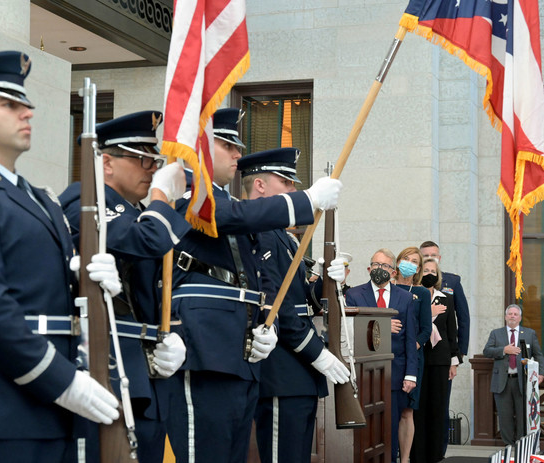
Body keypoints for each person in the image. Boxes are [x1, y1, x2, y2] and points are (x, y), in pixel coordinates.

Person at [0, 50, 123, 462]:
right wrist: (62, 381)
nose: (27, 113)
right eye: (8, 103)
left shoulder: (39, 199)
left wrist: (92, 282)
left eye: (27, 104)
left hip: (50, 411)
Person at [164, 107, 343, 463]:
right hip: (204, 345)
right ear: (199, 144)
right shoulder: (184, 191)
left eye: (238, 146)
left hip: (240, 350)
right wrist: (305, 200)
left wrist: (268, 324)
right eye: (227, 144)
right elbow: (232, 218)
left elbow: (261, 281)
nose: (237, 154)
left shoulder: (225, 200)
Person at [59, 111, 192, 462]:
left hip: (146, 373)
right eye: (143, 159)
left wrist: (173, 338)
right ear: (107, 162)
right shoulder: (84, 202)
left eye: (155, 161)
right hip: (109, 370)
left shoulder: (137, 212)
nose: (152, 169)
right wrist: (163, 195)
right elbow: (146, 241)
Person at [237, 147, 350, 463]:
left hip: (297, 374)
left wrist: (329, 281)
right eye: (286, 182)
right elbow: (280, 310)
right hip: (280, 371)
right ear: (260, 185)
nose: (293, 190)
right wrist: (318, 354)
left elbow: (302, 297)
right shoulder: (261, 233)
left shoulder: (283, 237)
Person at [345, 248, 417, 463]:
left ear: (393, 272)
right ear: (369, 268)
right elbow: (350, 330)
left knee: (390, 430)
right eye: (376, 264)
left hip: (395, 374)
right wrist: (383, 326)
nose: (380, 269)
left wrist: (411, 374)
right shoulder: (354, 294)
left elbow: (410, 338)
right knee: (368, 430)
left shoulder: (405, 298)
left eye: (385, 266)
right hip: (365, 374)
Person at [420, 240, 470, 451]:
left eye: (435, 255)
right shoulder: (414, 282)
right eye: (426, 256)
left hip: (443, 357)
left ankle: (439, 449)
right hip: (420, 353)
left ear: (440, 258)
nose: (431, 258)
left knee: (440, 404)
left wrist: (457, 358)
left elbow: (462, 319)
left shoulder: (452, 281)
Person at [410, 258, 460, 463]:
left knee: (438, 407)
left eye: (433, 270)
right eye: (426, 270)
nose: (429, 273)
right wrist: (428, 314)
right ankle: (417, 455)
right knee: (418, 408)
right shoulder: (412, 296)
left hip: (440, 359)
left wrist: (454, 361)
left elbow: (451, 332)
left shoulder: (446, 298)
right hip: (419, 357)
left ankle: (436, 455)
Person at [483, 304, 544, 445]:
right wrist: (504, 349)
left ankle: (521, 444)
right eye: (510, 314)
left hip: (523, 381)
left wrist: (541, 373)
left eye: (515, 314)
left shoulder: (529, 333)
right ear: (505, 317)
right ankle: (508, 445)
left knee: (523, 415)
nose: (512, 316)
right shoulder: (496, 333)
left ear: (520, 318)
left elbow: (538, 355)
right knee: (505, 416)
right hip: (502, 382)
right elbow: (487, 351)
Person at [394, 247, 431, 463]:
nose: (409, 263)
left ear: (417, 268)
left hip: (412, 358)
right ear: (398, 262)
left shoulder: (422, 293)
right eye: (406, 259)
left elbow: (426, 328)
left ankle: (405, 459)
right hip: (387, 356)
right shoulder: (386, 288)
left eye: (414, 261)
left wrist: (412, 346)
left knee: (407, 411)